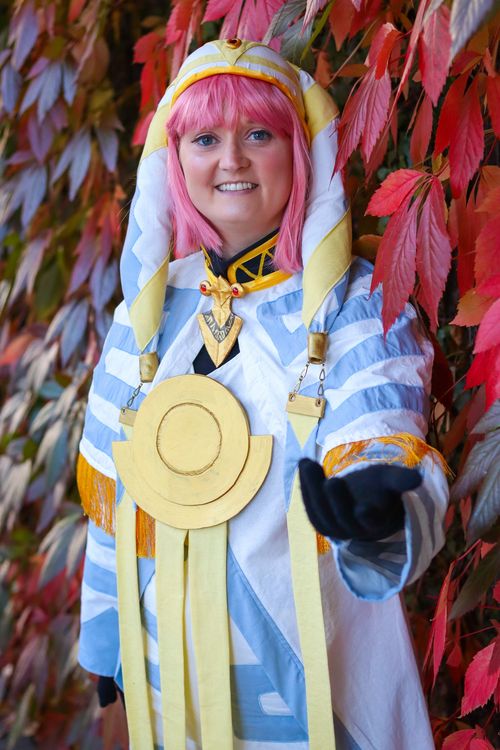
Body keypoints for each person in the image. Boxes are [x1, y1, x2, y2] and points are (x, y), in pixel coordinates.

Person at [77, 38, 449, 750]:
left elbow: (380, 437)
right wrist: (105, 648)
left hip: (320, 701)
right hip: (166, 694)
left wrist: (377, 505)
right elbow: (111, 508)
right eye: (205, 139)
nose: (231, 160)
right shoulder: (144, 314)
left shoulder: (357, 306)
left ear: (299, 150)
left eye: (258, 135)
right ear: (174, 161)